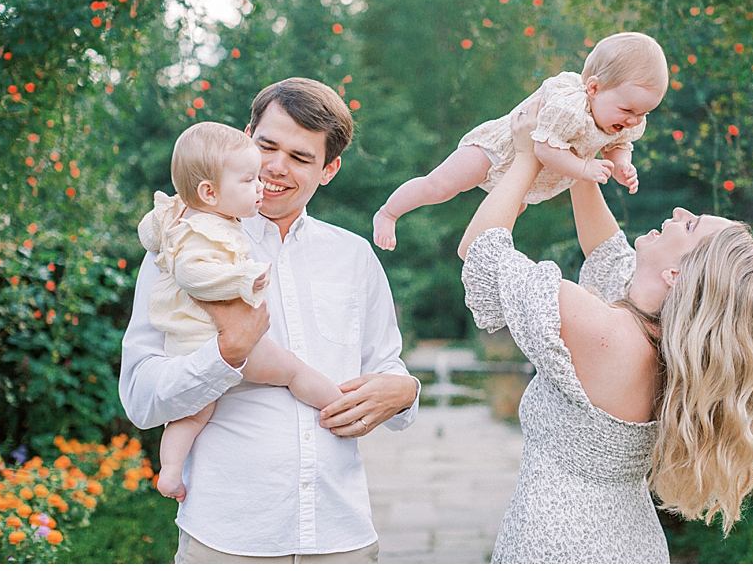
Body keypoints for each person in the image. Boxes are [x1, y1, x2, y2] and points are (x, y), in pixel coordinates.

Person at [457, 101, 753, 563]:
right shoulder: (665, 342)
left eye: (689, 225)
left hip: (559, 544)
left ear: (675, 275)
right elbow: (608, 254)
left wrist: (530, 156)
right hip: (629, 543)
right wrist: (579, 157)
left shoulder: (599, 327)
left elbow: (480, 251)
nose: (676, 210)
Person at [120, 78, 421, 564]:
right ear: (245, 137)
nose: (276, 168)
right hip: (227, 537)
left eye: (301, 158)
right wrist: (225, 357)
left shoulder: (354, 256)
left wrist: (405, 392)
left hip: (340, 533)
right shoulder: (180, 249)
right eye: (266, 146)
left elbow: (387, 363)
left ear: (329, 169)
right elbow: (139, 398)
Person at [137, 122, 344, 503]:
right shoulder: (206, 231)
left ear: (329, 167)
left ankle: (169, 473)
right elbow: (192, 272)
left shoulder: (180, 216)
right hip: (214, 339)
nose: (263, 183)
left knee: (193, 414)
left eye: (299, 156)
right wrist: (244, 278)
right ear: (209, 192)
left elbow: (149, 232)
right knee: (292, 370)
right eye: (249, 181)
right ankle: (339, 407)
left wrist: (160, 231)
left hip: (188, 341)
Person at [373, 31, 669, 250]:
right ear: (593, 88)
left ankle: (488, 251)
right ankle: (389, 212)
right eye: (628, 110)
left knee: (511, 212)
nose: (634, 120)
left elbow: (619, 145)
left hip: (530, 177)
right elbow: (542, 148)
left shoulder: (624, 119)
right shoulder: (568, 106)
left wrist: (622, 166)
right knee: (440, 186)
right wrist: (582, 169)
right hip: (497, 151)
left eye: (643, 113)